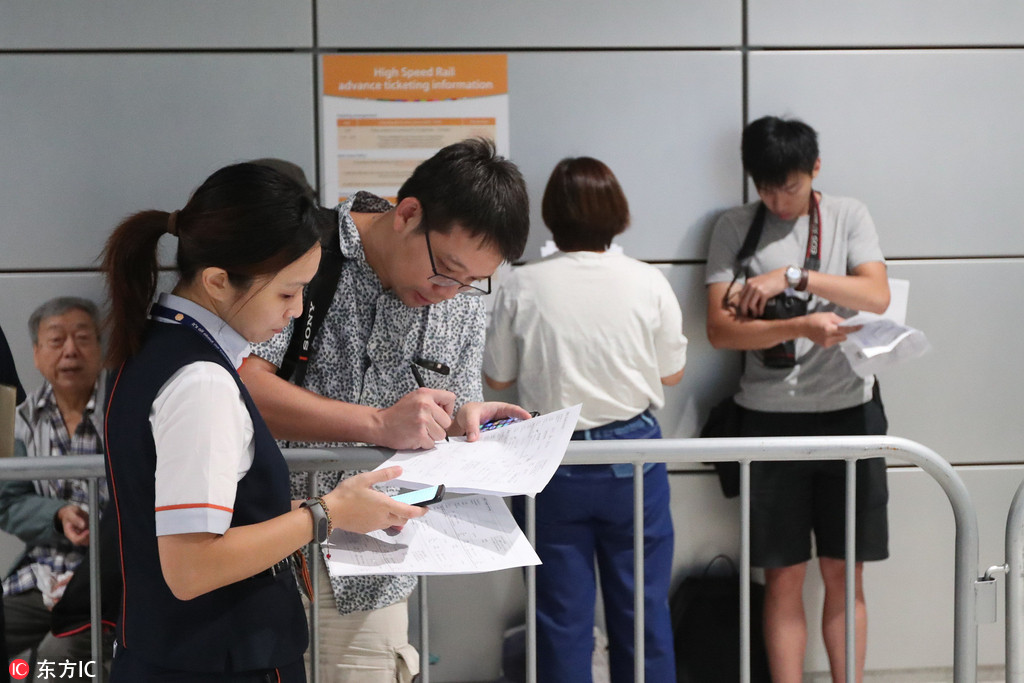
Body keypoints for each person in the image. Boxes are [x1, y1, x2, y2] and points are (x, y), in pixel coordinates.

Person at [100, 162, 426, 682]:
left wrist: (341, 510)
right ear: (217, 281)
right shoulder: (201, 382)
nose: (297, 312)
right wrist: (323, 514)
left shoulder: (152, 349)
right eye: (286, 292)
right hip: (217, 659)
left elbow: (204, 519)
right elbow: (192, 568)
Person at [238, 138, 532, 682]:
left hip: (373, 572)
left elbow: (456, 397)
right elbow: (242, 383)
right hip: (263, 552)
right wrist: (375, 423)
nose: (450, 291)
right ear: (408, 213)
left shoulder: (463, 300)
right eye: (445, 269)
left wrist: (469, 418)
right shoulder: (308, 251)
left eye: (472, 280)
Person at [483, 157, 688, 683]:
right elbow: (673, 372)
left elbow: (500, 380)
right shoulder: (648, 281)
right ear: (618, 213)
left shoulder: (520, 285)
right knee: (643, 615)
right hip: (634, 458)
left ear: (551, 216)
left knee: (560, 619)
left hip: (552, 457)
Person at [704, 116, 891, 683]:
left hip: (850, 415)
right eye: (765, 187)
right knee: (782, 576)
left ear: (815, 169)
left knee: (844, 572)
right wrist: (800, 328)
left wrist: (793, 278)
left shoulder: (847, 215)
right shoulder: (734, 226)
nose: (778, 200)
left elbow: (876, 294)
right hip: (767, 422)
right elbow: (719, 330)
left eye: (789, 186)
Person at [0, 297, 108, 682]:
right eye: (56, 340)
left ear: (100, 347)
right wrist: (58, 516)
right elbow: (7, 502)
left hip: (110, 579)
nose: (70, 351)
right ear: (35, 354)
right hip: (40, 574)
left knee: (56, 661)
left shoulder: (126, 413)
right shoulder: (17, 421)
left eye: (82, 338)